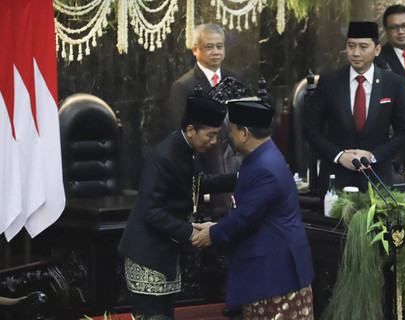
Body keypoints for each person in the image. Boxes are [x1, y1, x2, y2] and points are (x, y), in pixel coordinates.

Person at [192, 100, 314, 320]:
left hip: (276, 275)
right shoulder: (263, 156)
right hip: (270, 271)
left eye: (232, 131)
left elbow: (246, 217)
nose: (229, 137)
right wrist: (216, 227)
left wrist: (212, 233)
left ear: (245, 133)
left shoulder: (264, 167)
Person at [118, 95, 237, 319]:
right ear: (191, 129)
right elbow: (150, 211)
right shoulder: (164, 156)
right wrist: (192, 233)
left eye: (216, 136)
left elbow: (199, 182)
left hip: (166, 252)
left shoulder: (186, 150)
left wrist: (242, 177)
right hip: (148, 255)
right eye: (210, 135)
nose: (214, 142)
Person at [304, 21, 405, 196]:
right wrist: (339, 156)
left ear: (377, 50)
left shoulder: (393, 83)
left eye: (363, 47)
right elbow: (310, 129)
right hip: (336, 178)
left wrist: (373, 155)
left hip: (377, 178)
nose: (356, 53)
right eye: (351, 46)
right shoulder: (330, 82)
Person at [169, 23, 242, 218]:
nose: (216, 52)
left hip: (235, 167)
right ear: (195, 49)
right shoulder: (183, 86)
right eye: (209, 47)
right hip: (205, 171)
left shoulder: (235, 79)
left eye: (220, 46)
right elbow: (183, 135)